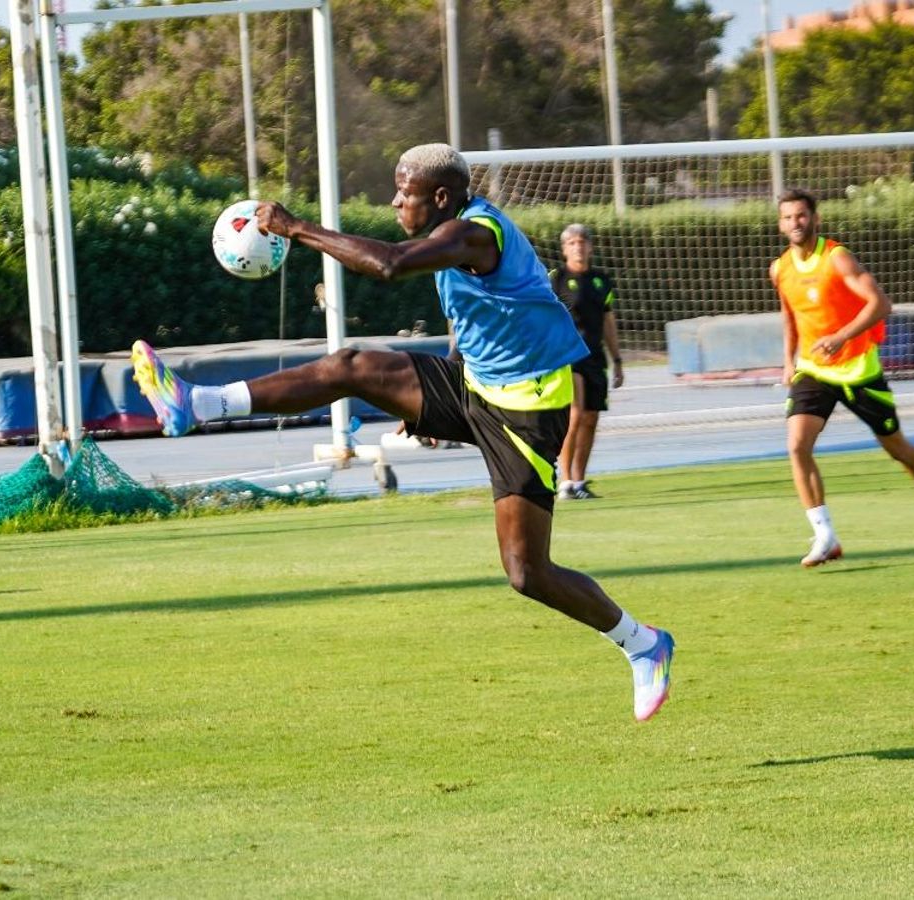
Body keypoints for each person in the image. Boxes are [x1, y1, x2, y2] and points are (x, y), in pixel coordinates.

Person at [129, 144, 673, 721]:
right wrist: (428, 400)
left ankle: (643, 644)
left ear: (440, 198)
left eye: (403, 192)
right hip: (475, 386)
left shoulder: (475, 233)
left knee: (527, 572)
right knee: (353, 368)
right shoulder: (453, 241)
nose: (394, 201)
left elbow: (388, 264)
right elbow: (474, 318)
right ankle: (197, 403)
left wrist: (296, 227)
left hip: (528, 410)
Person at [770, 188, 914, 567]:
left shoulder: (836, 258)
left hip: (858, 368)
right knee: (797, 445)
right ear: (780, 224)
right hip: (813, 369)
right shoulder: (780, 268)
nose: (795, 223)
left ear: (815, 219)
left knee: (897, 448)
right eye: (788, 217)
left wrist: (840, 338)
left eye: (801, 216)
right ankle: (825, 535)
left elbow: (880, 304)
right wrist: (788, 361)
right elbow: (790, 316)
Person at [549, 223, 623, 500]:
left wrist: (617, 359)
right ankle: (565, 482)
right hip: (567, 356)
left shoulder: (601, 280)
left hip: (594, 357)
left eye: (582, 242)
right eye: (572, 243)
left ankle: (579, 481)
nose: (578, 246)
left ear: (590, 247)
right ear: (564, 248)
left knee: (591, 417)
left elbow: (607, 320)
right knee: (575, 415)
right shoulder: (555, 279)